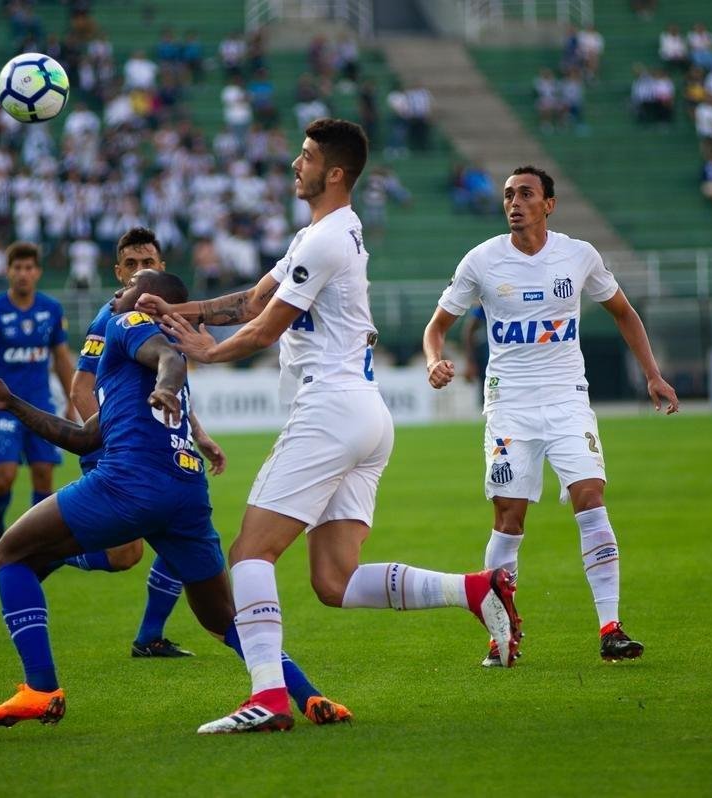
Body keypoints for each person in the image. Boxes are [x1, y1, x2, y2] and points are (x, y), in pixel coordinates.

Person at [145, 119, 520, 734]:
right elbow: (248, 302)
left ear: (335, 173)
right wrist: (173, 309)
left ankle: (267, 698)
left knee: (249, 552)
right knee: (333, 580)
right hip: (365, 414)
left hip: (330, 409)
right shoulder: (319, 235)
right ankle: (476, 590)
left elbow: (263, 329)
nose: (296, 163)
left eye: (307, 155)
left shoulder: (325, 241)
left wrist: (205, 353)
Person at [0, 269, 351, 729]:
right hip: (185, 492)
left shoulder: (128, 324)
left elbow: (169, 358)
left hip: (130, 482)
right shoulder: (129, 362)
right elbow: (86, 438)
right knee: (222, 617)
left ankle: (41, 689)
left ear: (147, 301)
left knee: (11, 553)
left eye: (130, 286)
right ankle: (309, 697)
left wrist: (166, 385)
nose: (118, 290)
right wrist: (12, 404)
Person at [421, 165, 679, 667]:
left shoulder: (579, 256)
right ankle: (500, 634)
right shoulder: (481, 261)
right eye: (508, 195)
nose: (514, 202)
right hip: (509, 407)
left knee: (591, 496)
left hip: (567, 400)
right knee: (509, 518)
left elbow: (623, 312)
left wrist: (652, 373)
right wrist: (435, 361)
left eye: (525, 194)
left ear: (549, 204)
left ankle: (611, 627)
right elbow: (437, 328)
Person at [64, 227, 226, 658]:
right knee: (124, 555)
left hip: (158, 448)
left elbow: (169, 383)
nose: (140, 271)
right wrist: (110, 448)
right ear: (119, 272)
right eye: (131, 265)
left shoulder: (168, 317)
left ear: (161, 269)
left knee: (175, 531)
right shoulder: (111, 318)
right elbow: (81, 388)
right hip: (121, 450)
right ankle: (51, 549)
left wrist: (199, 434)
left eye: (147, 263)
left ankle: (149, 637)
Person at [0, 242, 77, 568]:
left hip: (40, 405)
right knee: (4, 477)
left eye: (29, 268)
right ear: (8, 271)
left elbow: (60, 357)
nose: (24, 274)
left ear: (37, 272)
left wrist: (71, 400)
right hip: (3, 408)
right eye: (17, 268)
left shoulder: (51, 310)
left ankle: (36, 544)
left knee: (43, 477)